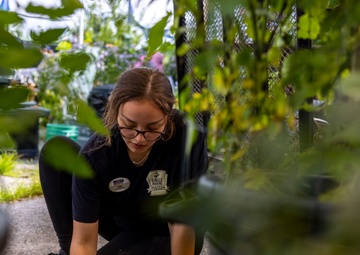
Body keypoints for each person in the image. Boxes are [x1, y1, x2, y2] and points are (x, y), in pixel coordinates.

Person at [39, 67, 208, 255]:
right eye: (129, 125)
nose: (139, 138)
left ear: (168, 116)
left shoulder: (187, 137)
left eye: (152, 127)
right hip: (122, 224)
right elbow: (84, 242)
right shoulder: (97, 153)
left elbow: (182, 222)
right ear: (115, 112)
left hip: (169, 233)